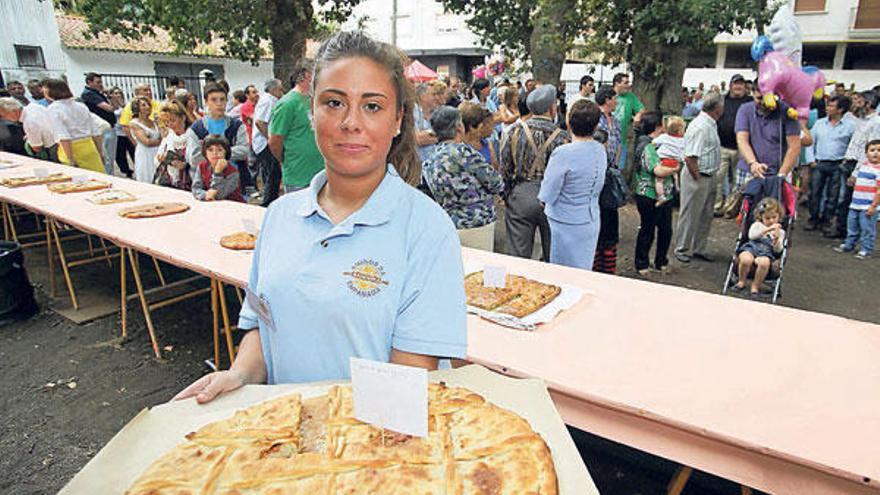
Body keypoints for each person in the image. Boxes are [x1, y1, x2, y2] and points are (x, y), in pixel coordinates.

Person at [173, 31, 466, 401]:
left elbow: (404, 387)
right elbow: (264, 326)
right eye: (333, 103)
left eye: (372, 106)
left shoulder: (426, 229)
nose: (351, 122)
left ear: (397, 120)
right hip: (282, 439)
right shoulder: (279, 216)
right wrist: (242, 375)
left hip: (378, 449)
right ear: (312, 113)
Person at [499, 85, 570, 261]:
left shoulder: (513, 131)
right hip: (553, 198)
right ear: (552, 108)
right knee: (553, 255)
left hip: (521, 193)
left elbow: (505, 167)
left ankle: (518, 286)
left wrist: (508, 194)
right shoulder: (563, 137)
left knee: (518, 255)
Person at [422, 106, 504, 251]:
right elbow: (496, 183)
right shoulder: (465, 153)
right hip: (477, 223)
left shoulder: (430, 159)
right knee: (478, 269)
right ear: (459, 127)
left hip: (450, 223)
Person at [537, 99, 606, 269]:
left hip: (564, 220)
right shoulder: (600, 149)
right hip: (590, 217)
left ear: (568, 122)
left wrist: (543, 200)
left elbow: (548, 192)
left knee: (563, 272)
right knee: (584, 267)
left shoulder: (563, 153)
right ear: (596, 126)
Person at [674, 91, 724, 264]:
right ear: (717, 108)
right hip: (698, 175)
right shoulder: (701, 126)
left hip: (708, 174)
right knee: (690, 214)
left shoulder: (709, 123)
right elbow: (690, 156)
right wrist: (697, 177)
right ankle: (682, 247)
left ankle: (698, 247)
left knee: (705, 214)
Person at [268, 59, 324, 194]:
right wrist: (286, 160)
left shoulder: (315, 100)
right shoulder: (287, 104)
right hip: (298, 177)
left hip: (320, 174)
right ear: (307, 75)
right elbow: (275, 141)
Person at [633, 111, 678, 275]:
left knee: (666, 229)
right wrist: (675, 168)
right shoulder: (647, 146)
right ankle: (641, 263)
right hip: (647, 194)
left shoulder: (665, 144)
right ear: (658, 126)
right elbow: (657, 170)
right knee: (648, 229)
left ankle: (661, 260)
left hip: (666, 193)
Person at [734, 82, 801, 190]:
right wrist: (753, 163)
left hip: (778, 172)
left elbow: (794, 146)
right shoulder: (744, 110)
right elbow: (742, 141)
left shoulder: (787, 111)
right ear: (753, 94)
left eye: (767, 98)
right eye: (759, 98)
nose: (764, 103)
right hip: (748, 170)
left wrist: (781, 175)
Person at [806, 95, 856, 234]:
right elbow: (810, 142)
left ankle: (827, 221)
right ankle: (813, 218)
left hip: (838, 164)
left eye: (832, 106)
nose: (828, 108)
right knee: (814, 193)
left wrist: (846, 161)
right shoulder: (820, 123)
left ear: (840, 109)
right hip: (819, 163)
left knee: (833, 195)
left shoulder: (851, 126)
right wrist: (811, 160)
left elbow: (853, 145)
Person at [185, 82, 250, 188]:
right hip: (205, 185)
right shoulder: (196, 129)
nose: (219, 104)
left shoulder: (236, 125)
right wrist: (225, 153)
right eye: (214, 100)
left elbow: (244, 151)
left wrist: (212, 153)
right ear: (206, 102)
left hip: (235, 182)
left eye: (222, 99)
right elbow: (194, 158)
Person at [44, 79, 104, 173]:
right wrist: (100, 152)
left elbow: (63, 136)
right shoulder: (80, 106)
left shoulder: (54, 109)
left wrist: (71, 159)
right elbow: (96, 131)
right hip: (89, 146)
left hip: (72, 149)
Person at [593, 86, 623, 274]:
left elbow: (618, 143)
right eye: (614, 98)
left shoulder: (616, 121)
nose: (617, 101)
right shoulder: (596, 118)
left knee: (611, 216)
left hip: (611, 172)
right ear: (606, 99)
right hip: (597, 172)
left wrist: (616, 165)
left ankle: (609, 266)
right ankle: (596, 264)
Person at [834, 139, 880, 259]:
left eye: (879, 150)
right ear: (866, 153)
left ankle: (866, 249)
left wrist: (873, 206)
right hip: (855, 203)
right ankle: (849, 244)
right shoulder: (863, 166)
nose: (876, 153)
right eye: (872, 150)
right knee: (852, 226)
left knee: (867, 228)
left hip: (868, 205)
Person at [733, 197, 785, 296]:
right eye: (768, 218)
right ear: (761, 217)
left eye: (774, 217)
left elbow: (778, 250)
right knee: (745, 259)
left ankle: (755, 286)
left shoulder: (780, 232)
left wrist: (776, 240)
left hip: (766, 252)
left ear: (779, 217)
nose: (771, 221)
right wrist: (767, 230)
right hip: (751, 248)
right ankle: (741, 281)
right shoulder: (757, 225)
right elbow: (752, 236)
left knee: (764, 263)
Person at [714, 74, 750, 215]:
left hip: (742, 148)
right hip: (722, 146)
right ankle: (716, 206)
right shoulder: (722, 100)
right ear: (730, 85)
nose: (738, 87)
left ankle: (731, 208)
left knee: (738, 181)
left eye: (741, 84)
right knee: (718, 178)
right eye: (736, 84)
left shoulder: (749, 102)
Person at [253, 79, 285, 206]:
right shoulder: (268, 101)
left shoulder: (270, 100)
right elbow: (260, 122)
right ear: (273, 89)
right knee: (272, 175)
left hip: (264, 142)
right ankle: (268, 204)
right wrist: (271, 139)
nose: (282, 92)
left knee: (271, 175)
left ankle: (270, 201)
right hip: (265, 144)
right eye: (280, 89)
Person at [81, 73, 118, 175]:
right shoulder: (89, 94)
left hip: (109, 126)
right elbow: (109, 108)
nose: (100, 84)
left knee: (110, 156)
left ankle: (110, 174)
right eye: (98, 82)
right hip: (102, 129)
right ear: (89, 82)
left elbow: (116, 106)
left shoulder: (99, 93)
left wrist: (110, 96)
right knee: (107, 157)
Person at [192, 135, 244, 202]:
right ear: (205, 153)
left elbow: (218, 195)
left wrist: (217, 173)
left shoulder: (233, 173)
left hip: (232, 206)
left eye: (219, 150)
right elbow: (195, 188)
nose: (215, 153)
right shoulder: (201, 166)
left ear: (226, 152)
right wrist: (205, 195)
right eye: (210, 150)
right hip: (210, 203)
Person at [154, 101, 192, 190]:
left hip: (190, 183)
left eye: (172, 120)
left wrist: (185, 165)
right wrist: (163, 159)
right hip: (169, 183)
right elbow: (156, 159)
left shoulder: (192, 136)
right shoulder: (168, 137)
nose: (170, 124)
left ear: (183, 118)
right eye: (166, 122)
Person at [612, 73, 645, 174]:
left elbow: (642, 109)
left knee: (618, 170)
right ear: (617, 83)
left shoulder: (630, 96)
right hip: (608, 140)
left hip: (622, 141)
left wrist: (638, 115)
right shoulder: (608, 95)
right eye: (625, 83)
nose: (628, 85)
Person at [652, 116, 686, 206]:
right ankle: (677, 186)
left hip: (664, 161)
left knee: (659, 180)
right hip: (675, 162)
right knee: (674, 173)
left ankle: (661, 196)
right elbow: (684, 152)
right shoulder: (683, 140)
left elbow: (654, 142)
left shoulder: (664, 137)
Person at [128, 96, 162, 182]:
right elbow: (146, 142)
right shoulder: (134, 123)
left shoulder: (154, 122)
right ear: (137, 108)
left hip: (157, 152)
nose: (148, 107)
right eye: (143, 105)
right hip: (145, 155)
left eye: (148, 104)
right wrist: (161, 142)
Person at [19, 89, 58, 162]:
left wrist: (29, 140)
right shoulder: (35, 106)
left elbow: (37, 147)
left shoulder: (29, 121)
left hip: (52, 147)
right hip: (57, 140)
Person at [460, 102, 498, 169]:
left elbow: (495, 169)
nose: (483, 127)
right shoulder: (461, 149)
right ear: (471, 127)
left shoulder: (487, 143)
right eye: (481, 125)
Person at [108, 87, 134, 178]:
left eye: (119, 93)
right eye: (115, 93)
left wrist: (122, 104)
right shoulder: (109, 106)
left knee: (132, 151)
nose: (118, 95)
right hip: (117, 132)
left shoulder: (126, 105)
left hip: (127, 131)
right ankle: (126, 170)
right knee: (120, 154)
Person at [413, 82, 439, 162]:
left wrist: (428, 135)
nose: (437, 98)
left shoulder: (436, 112)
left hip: (434, 162)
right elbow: (416, 139)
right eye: (433, 95)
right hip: (417, 164)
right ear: (423, 96)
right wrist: (440, 135)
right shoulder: (413, 111)